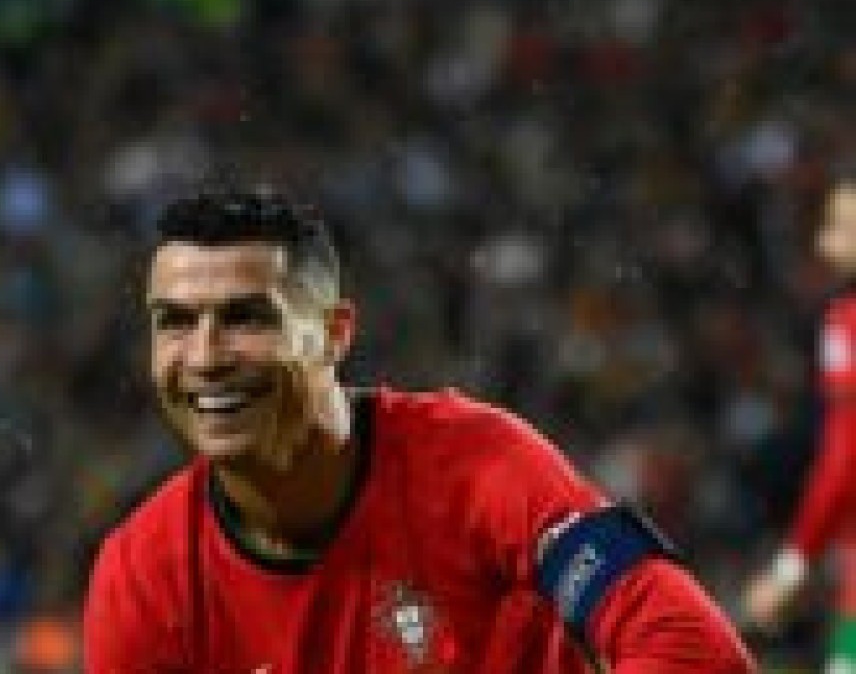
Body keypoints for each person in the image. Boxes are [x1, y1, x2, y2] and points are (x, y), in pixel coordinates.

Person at [84, 182, 756, 672]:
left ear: (333, 334)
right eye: (174, 321)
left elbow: (694, 651)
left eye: (246, 318)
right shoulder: (142, 578)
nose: (203, 358)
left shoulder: (477, 465)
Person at [745, 179, 856, 672]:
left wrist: (792, 566)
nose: (823, 244)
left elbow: (845, 457)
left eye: (839, 227)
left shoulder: (847, 321)